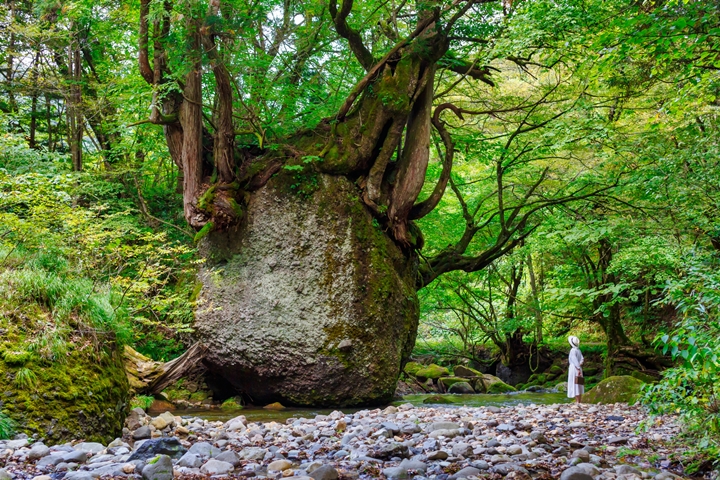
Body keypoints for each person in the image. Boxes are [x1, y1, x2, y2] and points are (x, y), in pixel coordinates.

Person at [567, 336, 584, 403]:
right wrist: (580, 366)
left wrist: (578, 369)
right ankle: (579, 401)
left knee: (575, 384)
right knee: (579, 384)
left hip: (574, 369)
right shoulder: (578, 350)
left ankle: (577, 401)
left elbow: (574, 360)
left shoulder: (572, 350)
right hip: (579, 368)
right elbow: (582, 359)